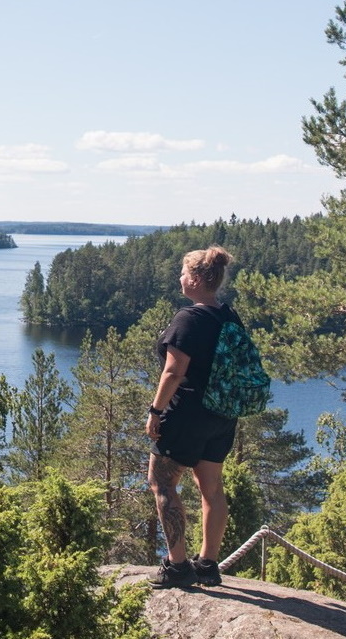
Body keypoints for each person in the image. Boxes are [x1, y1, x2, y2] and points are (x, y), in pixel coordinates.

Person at [145, 245, 241, 589]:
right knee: (211, 489)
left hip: (187, 415)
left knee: (163, 484)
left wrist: (156, 411)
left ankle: (178, 566)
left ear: (197, 279)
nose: (180, 278)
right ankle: (208, 565)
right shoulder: (228, 315)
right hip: (222, 415)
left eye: (184, 273)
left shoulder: (189, 318)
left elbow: (173, 371)